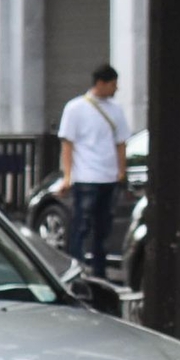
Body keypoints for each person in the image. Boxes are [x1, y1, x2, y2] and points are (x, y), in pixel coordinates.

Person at [57, 64, 130, 277]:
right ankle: (76, 269)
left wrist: (120, 171)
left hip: (108, 176)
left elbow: (121, 143)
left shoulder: (116, 109)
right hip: (86, 176)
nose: (116, 89)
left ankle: (99, 271)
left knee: (103, 228)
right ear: (101, 83)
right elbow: (67, 144)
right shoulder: (75, 108)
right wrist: (68, 176)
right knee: (82, 225)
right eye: (113, 84)